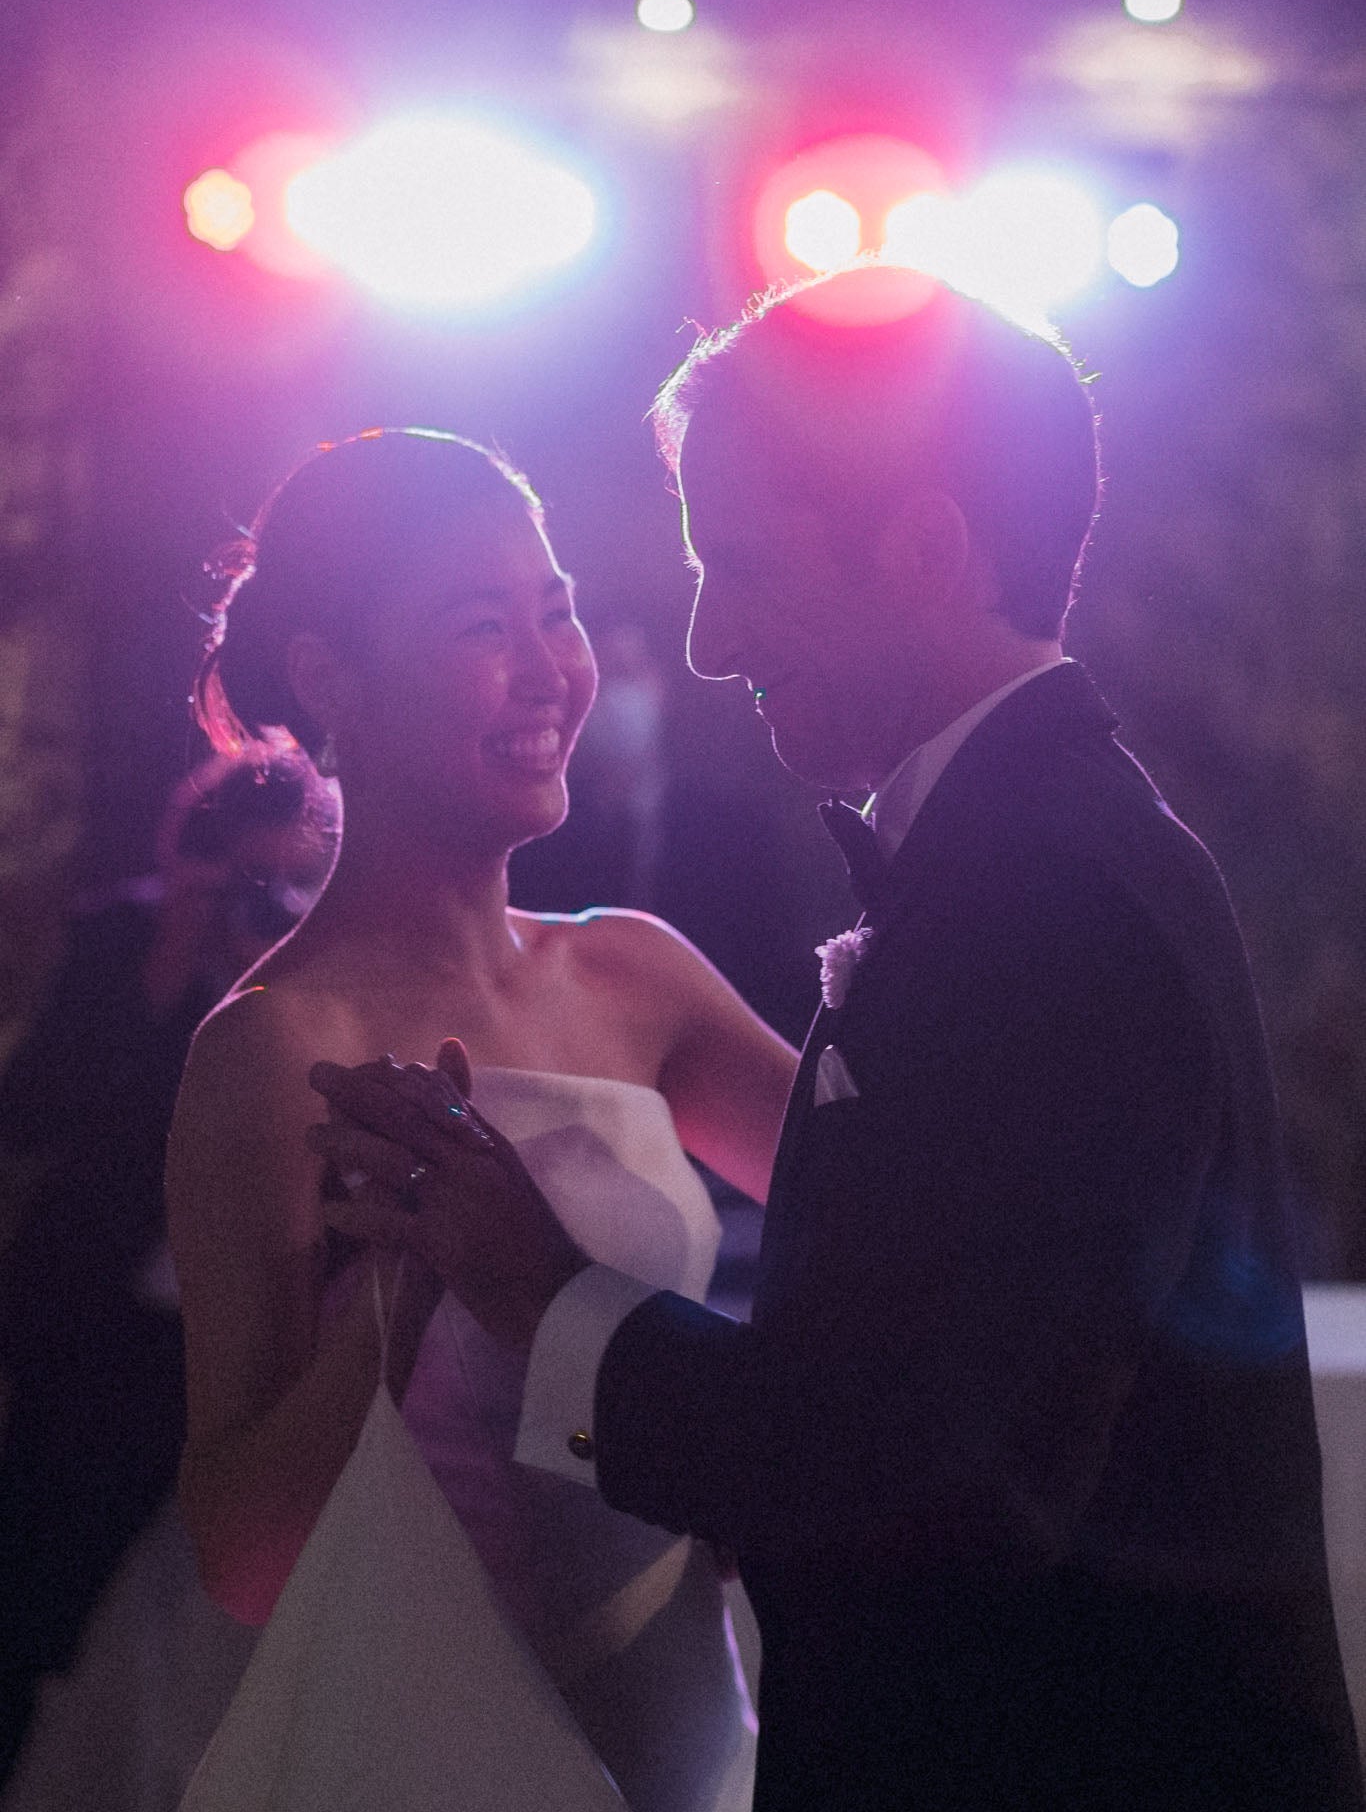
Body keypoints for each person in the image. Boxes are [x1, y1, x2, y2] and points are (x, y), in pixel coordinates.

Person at [312, 285, 1365, 1810]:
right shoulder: (1021, 852)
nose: (704, 640)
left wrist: (545, 1294)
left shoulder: (1049, 895)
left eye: (736, 567)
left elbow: (931, 1473)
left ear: (924, 550)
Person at [165, 428, 796, 1812]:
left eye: (556, 612)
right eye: (480, 625)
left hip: (682, 1736)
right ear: (332, 678)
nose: (549, 669)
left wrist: (771, 1446)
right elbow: (246, 1563)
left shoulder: (639, 974)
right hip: (423, 1753)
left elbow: (908, 1205)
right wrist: (401, 1298)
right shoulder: (278, 1054)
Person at [0, 752, 334, 1788]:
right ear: (191, 859)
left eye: (293, 878)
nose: (268, 900)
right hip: (104, 1332)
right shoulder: (118, 938)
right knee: (35, 1589)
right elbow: (34, 1108)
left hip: (256, 1336)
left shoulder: (332, 972)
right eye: (248, 874)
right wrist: (168, 966)